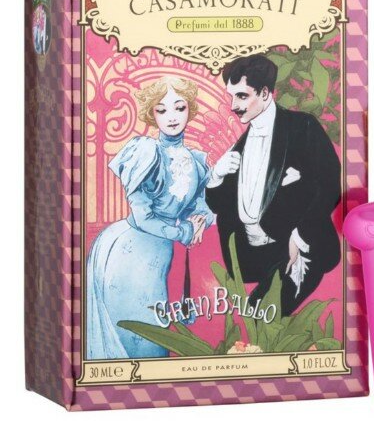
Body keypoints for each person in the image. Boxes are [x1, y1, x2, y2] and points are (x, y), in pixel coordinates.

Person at [86, 76, 213, 359]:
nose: (172, 117)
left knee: (159, 327)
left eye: (179, 108)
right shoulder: (145, 152)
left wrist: (200, 221)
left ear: (190, 110)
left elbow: (199, 205)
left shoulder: (196, 160)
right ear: (151, 113)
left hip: (165, 251)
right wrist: (184, 232)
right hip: (131, 250)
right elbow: (143, 216)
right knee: (140, 331)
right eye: (162, 110)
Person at [206, 54, 341, 316]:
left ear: (266, 93)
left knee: (260, 316)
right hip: (253, 258)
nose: (234, 106)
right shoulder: (239, 147)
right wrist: (216, 176)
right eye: (232, 97)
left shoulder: (302, 127)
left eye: (242, 96)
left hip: (302, 249)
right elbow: (218, 205)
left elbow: (330, 184)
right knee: (255, 319)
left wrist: (300, 236)